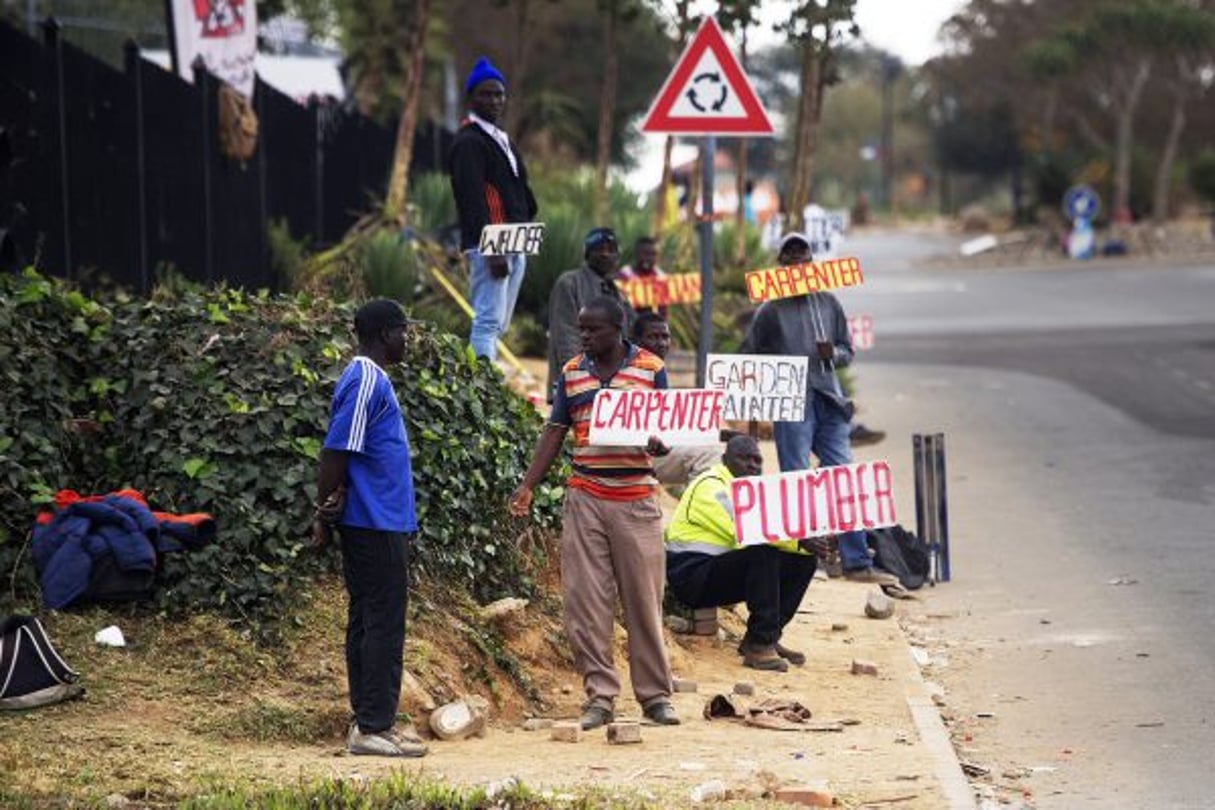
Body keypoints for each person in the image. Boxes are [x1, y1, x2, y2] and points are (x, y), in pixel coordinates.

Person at [510, 296, 680, 731]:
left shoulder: (649, 368)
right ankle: (600, 698)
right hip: (585, 496)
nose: (584, 336)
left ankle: (656, 697)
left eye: (593, 330)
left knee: (643, 602)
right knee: (586, 604)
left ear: (617, 330)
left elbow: (666, 430)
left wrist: (659, 444)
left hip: (637, 499)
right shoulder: (571, 373)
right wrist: (529, 484)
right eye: (582, 329)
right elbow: (555, 430)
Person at [741, 233, 896, 586]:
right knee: (797, 478)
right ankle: (809, 559)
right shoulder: (770, 309)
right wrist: (775, 373)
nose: (796, 259)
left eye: (802, 252)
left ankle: (856, 561)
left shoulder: (828, 301)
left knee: (842, 474)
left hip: (830, 398)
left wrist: (835, 355)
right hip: (792, 402)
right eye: (789, 253)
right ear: (780, 263)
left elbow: (847, 348)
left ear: (811, 260)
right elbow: (750, 353)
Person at [312, 298, 427, 758]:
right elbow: (336, 449)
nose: (407, 338)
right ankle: (373, 726)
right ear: (384, 334)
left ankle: (371, 719)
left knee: (369, 619)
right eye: (403, 330)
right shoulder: (364, 379)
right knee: (381, 622)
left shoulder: (374, 379)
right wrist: (323, 511)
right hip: (372, 521)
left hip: (380, 519)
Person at [665, 436, 822, 672]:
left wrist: (809, 544)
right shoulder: (710, 485)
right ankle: (759, 645)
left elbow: (778, 529)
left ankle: (765, 637)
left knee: (803, 560)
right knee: (762, 551)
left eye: (757, 460)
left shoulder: (751, 493)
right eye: (744, 458)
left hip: (716, 571)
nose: (752, 465)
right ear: (725, 459)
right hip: (690, 576)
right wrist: (801, 539)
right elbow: (747, 529)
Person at [448, 57, 538, 361]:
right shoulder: (469, 142)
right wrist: (492, 248)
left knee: (499, 324)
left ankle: (486, 384)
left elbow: (517, 186)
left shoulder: (501, 139)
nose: (495, 100)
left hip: (515, 240)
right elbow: (472, 198)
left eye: (499, 94)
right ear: (471, 98)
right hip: (491, 243)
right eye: (486, 94)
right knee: (487, 321)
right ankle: (480, 389)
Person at [546, 227, 634, 400]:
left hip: (613, 388)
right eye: (599, 249)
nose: (605, 254)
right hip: (577, 384)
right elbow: (566, 335)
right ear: (587, 253)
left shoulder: (618, 293)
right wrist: (578, 378)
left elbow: (627, 336)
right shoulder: (569, 283)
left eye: (611, 250)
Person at [632, 312, 720, 484]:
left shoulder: (657, 368)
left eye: (665, 337)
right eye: (653, 337)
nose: (661, 343)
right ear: (636, 341)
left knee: (711, 448)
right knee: (708, 455)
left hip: (653, 448)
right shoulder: (630, 370)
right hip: (632, 454)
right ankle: (698, 508)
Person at [616, 236, 668, 316]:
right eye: (645, 253)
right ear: (636, 254)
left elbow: (663, 309)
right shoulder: (624, 275)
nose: (649, 258)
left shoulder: (661, 276)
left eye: (653, 254)